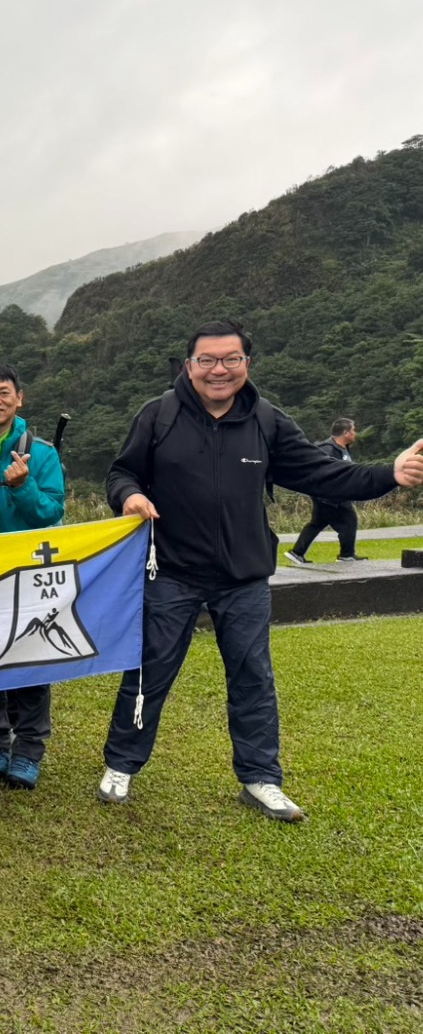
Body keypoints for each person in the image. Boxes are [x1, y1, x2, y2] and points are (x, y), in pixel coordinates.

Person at [100, 320, 423, 821]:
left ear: (247, 364)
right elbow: (122, 472)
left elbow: (324, 474)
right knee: (150, 671)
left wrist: (389, 474)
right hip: (171, 572)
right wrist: (130, 496)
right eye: (207, 360)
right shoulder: (159, 415)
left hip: (244, 577)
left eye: (231, 359)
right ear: (189, 365)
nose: (219, 370)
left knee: (253, 677)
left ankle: (260, 778)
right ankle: (121, 764)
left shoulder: (267, 420)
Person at [0, 362, 66, 791]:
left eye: (3, 393)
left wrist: (22, 486)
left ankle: (28, 750)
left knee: (31, 661)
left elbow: (51, 512)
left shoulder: (40, 452)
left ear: (19, 398)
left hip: (25, 573)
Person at [286, 419, 366, 564]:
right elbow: (319, 472)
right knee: (349, 521)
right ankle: (346, 555)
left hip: (338, 495)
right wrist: (327, 494)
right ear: (345, 432)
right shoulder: (327, 449)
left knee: (318, 523)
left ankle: (297, 553)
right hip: (329, 497)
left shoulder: (343, 448)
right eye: (353, 430)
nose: (355, 433)